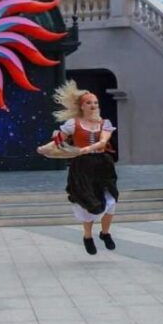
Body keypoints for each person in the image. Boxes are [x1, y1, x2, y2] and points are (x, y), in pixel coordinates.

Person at [40, 81, 118, 255]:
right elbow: (59, 140)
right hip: (82, 167)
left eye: (95, 103)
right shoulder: (73, 124)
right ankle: (88, 236)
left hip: (103, 165)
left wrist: (87, 149)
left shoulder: (105, 123)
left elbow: (104, 141)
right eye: (89, 103)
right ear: (82, 106)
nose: (93, 105)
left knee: (111, 200)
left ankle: (105, 233)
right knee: (87, 202)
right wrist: (45, 148)